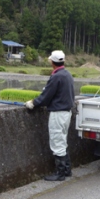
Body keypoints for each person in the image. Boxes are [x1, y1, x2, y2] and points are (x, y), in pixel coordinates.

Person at [24, 50, 75, 181]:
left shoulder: (56, 76)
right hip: (67, 113)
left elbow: (46, 96)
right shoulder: (67, 74)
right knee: (62, 141)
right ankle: (67, 170)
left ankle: (60, 173)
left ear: (52, 62)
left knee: (57, 142)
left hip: (58, 114)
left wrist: (33, 103)